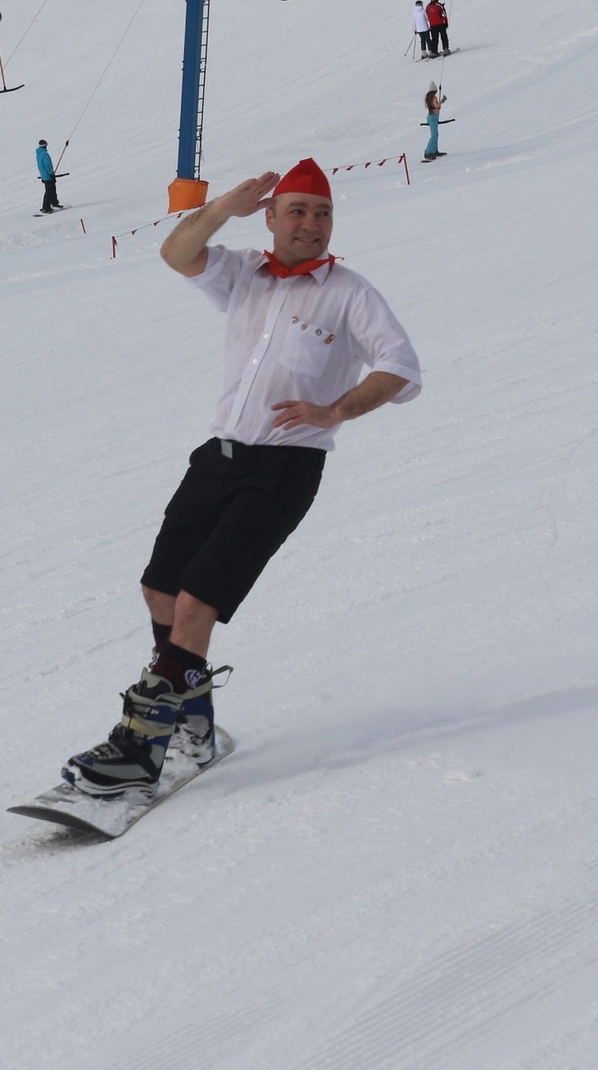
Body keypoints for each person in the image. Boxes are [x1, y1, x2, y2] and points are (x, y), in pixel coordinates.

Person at [61, 160, 422, 797]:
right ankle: (194, 725)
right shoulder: (242, 274)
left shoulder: (351, 293)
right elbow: (177, 253)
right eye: (298, 211)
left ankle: (141, 750)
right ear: (273, 217)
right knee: (160, 593)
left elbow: (400, 369)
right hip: (218, 457)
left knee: (199, 604)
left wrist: (335, 409)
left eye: (322, 213)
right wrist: (222, 206)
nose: (311, 224)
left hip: (285, 469)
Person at [36, 139, 63, 214]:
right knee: (49, 190)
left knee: (51, 189)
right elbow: (48, 165)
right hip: (48, 175)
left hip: (44, 175)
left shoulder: (39, 154)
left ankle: (54, 202)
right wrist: (51, 174)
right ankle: (46, 207)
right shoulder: (44, 154)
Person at [423, 84, 447, 159]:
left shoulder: (429, 98)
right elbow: (436, 106)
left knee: (435, 135)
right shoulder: (434, 98)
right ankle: (428, 152)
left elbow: (435, 107)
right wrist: (442, 101)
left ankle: (434, 150)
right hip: (433, 117)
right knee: (434, 135)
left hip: (432, 116)